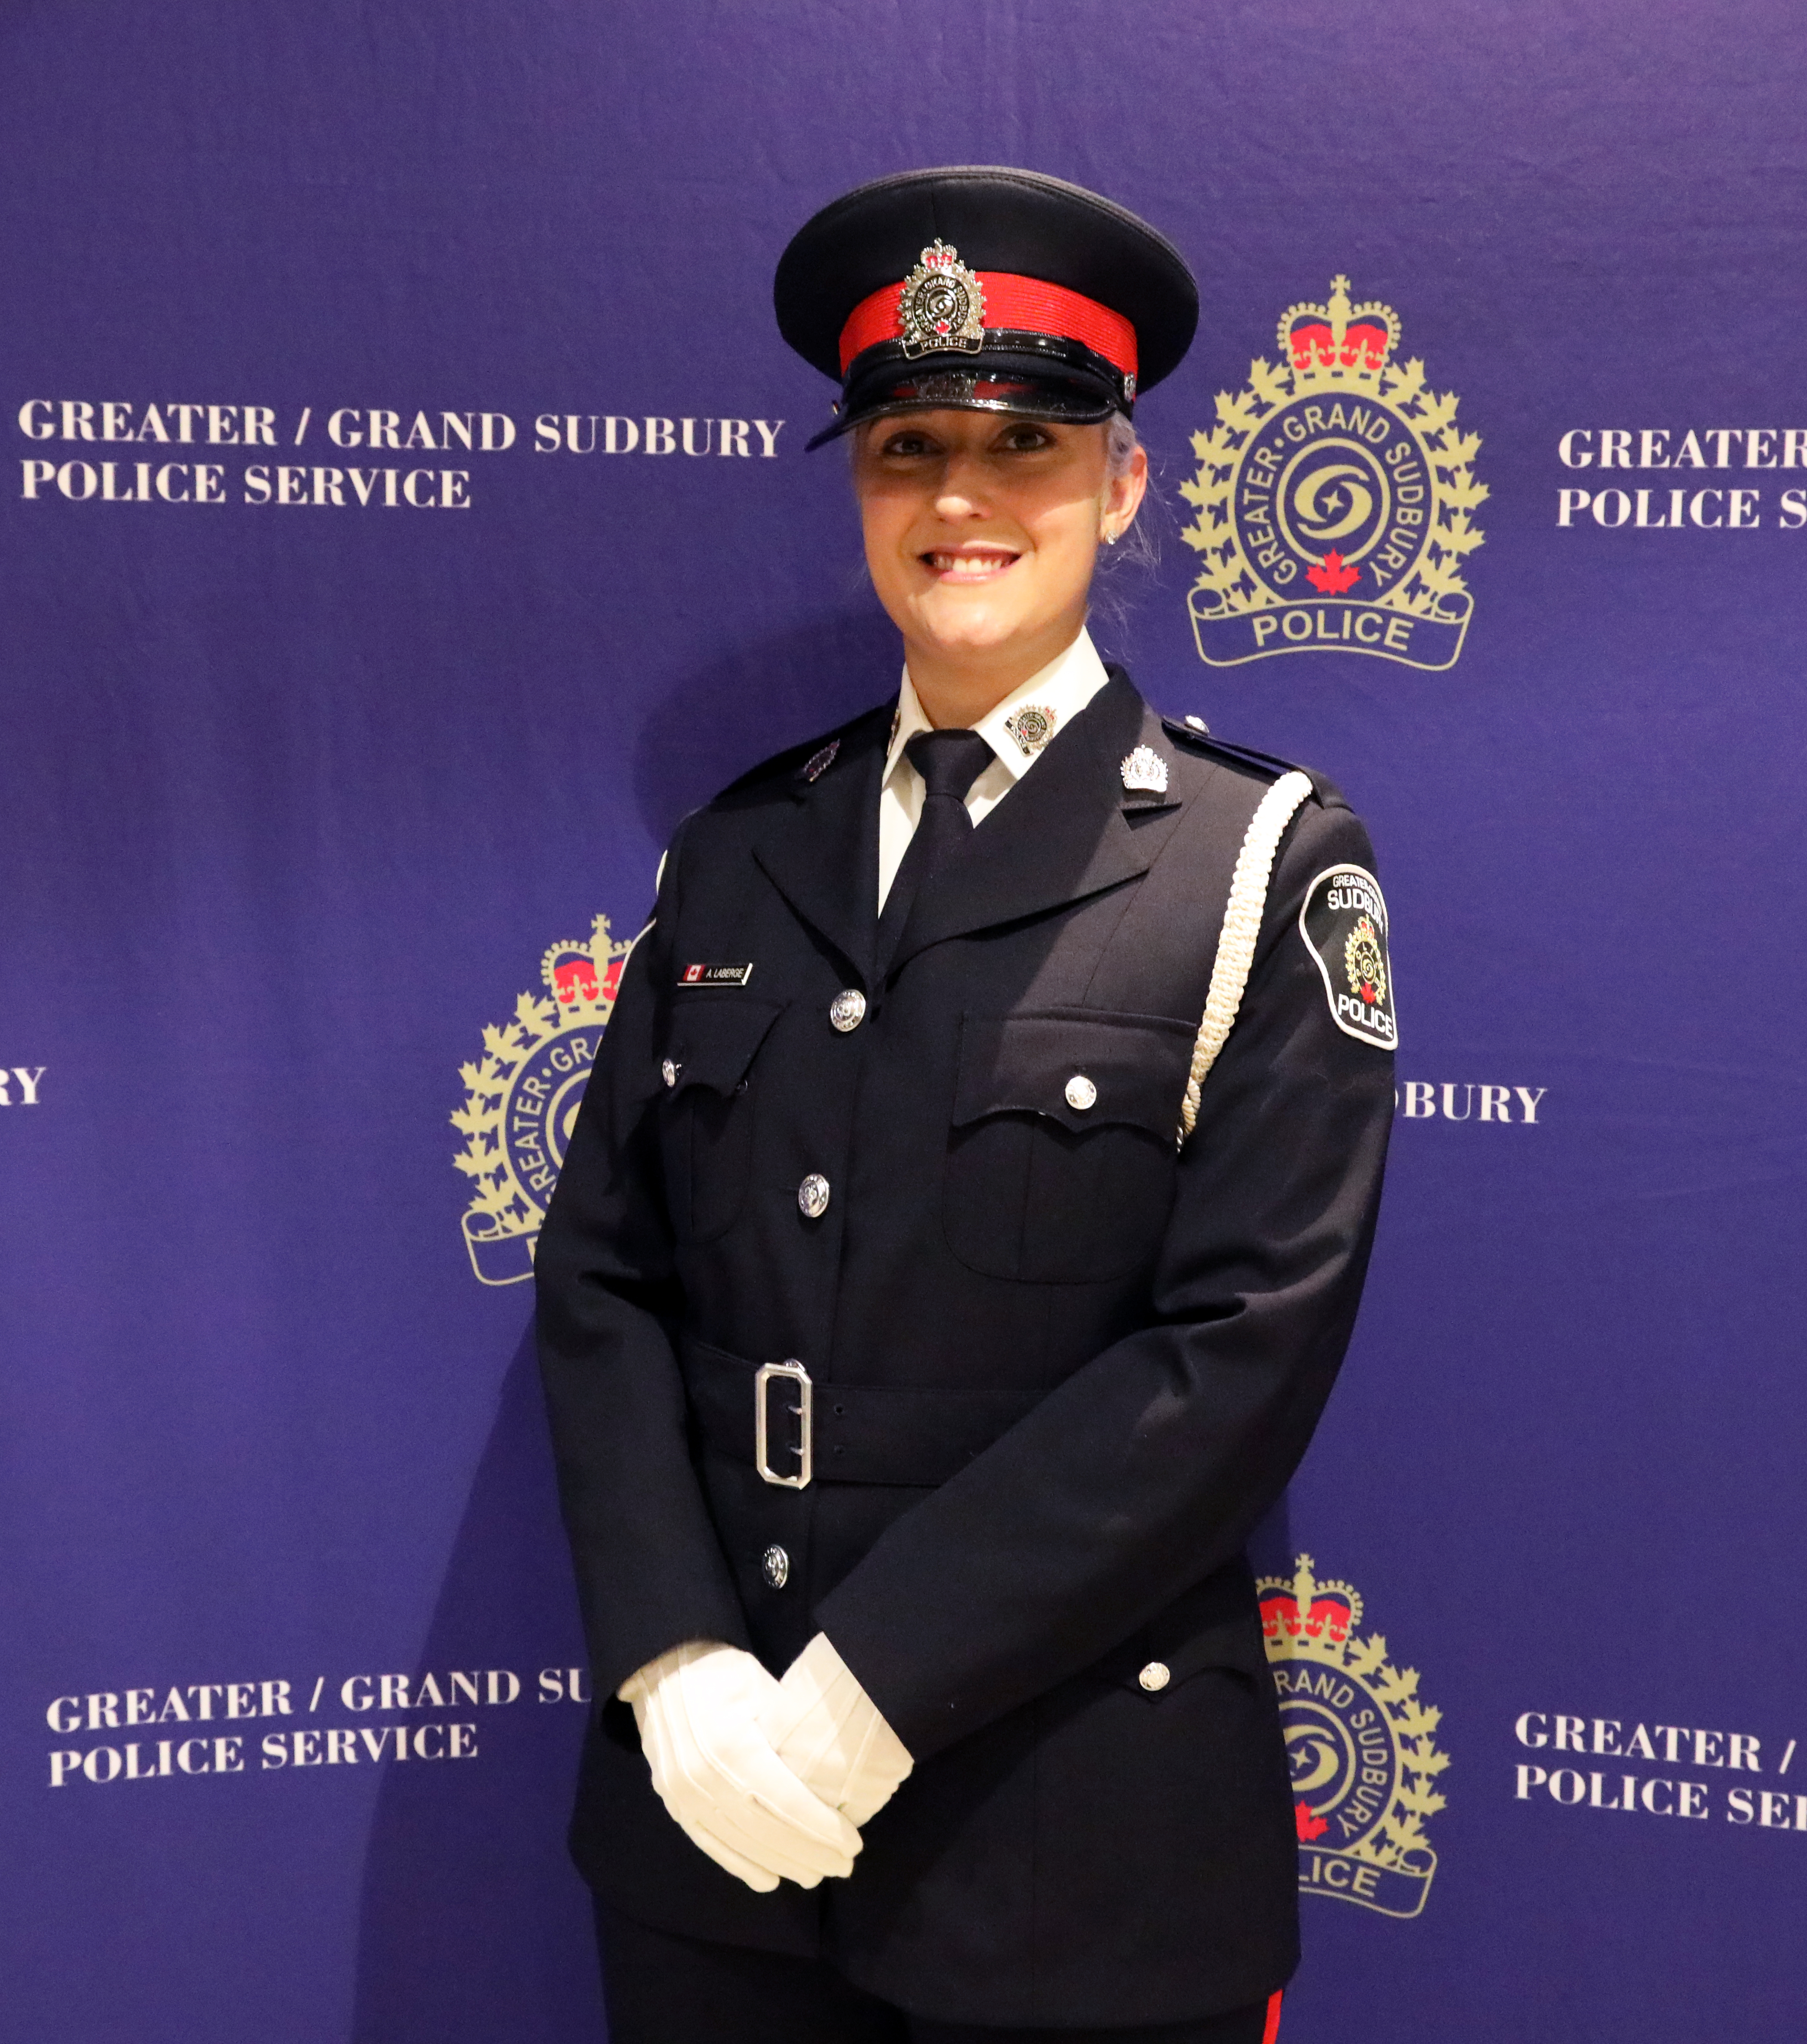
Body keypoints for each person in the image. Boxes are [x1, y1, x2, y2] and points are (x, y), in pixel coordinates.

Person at [537, 165, 1397, 2044]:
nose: (956, 499)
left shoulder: (1258, 862)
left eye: (1025, 442)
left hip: (1073, 1833)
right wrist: (680, 1661)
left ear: (1125, 481)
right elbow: (605, 1276)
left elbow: (1232, 1358)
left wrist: (864, 1696)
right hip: (718, 1832)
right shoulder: (741, 851)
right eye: (907, 443)